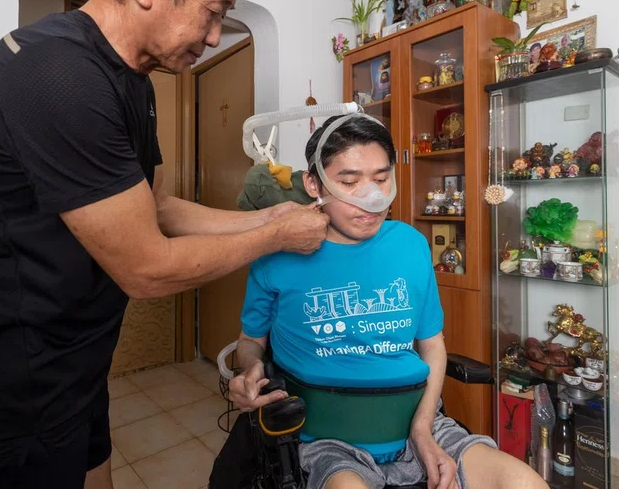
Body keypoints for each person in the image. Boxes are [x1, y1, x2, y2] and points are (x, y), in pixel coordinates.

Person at [0, 0, 329, 489]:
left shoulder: (134, 82)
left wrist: (269, 214)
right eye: (212, 13)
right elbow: (146, 266)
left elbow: (158, 207)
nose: (214, 37)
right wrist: (276, 237)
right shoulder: (57, 74)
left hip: (76, 371)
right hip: (7, 392)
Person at [228, 115, 547, 489]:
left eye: (380, 179)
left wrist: (423, 428)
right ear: (314, 183)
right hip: (329, 439)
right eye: (350, 182)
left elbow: (432, 345)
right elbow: (250, 341)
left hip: (419, 422)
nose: (371, 198)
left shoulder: (410, 244)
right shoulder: (277, 256)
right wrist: (251, 368)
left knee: (523, 482)